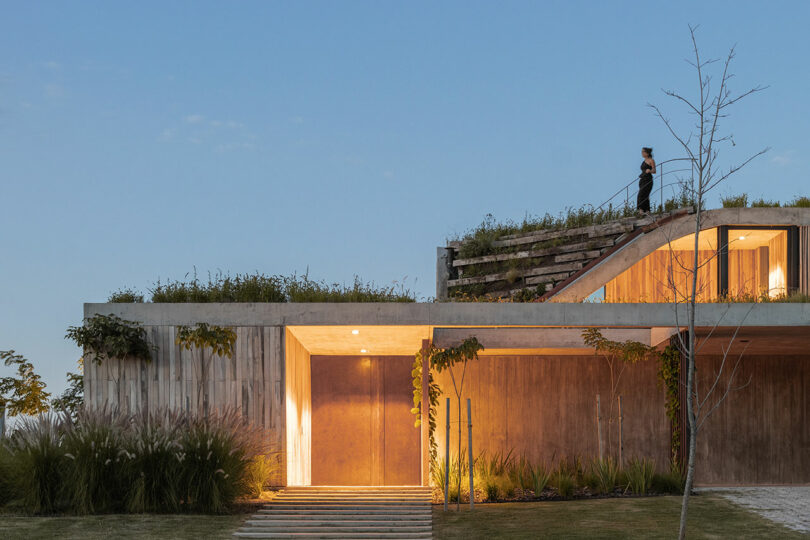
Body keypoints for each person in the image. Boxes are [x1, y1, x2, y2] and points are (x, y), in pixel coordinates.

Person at [637, 147, 656, 214]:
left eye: (643, 152)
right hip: (642, 179)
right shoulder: (643, 161)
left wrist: (649, 170)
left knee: (643, 194)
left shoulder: (651, 160)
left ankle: (642, 210)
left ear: (647, 153)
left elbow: (654, 171)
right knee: (642, 194)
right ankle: (646, 210)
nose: (642, 153)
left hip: (648, 179)